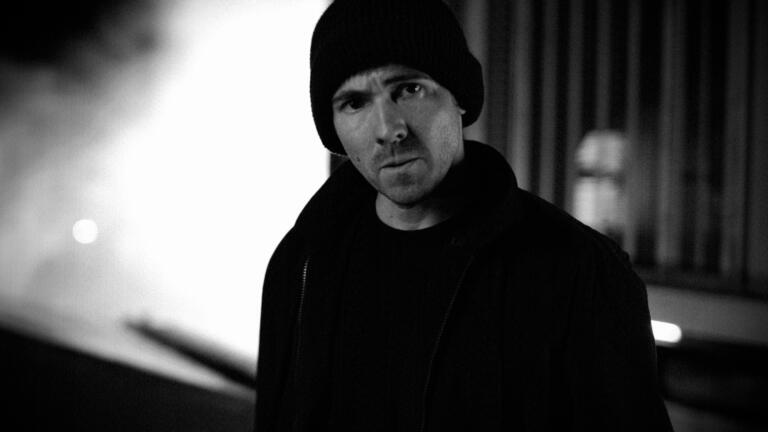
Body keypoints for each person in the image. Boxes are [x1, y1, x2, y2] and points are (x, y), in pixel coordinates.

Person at [255, 0, 674, 430]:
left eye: (409, 89)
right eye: (354, 103)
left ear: (459, 96)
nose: (388, 129)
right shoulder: (302, 264)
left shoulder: (579, 272)